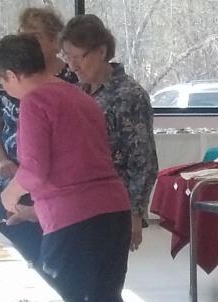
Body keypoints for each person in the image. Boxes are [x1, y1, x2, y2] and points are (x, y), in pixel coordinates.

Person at [0, 34, 131, 302]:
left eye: (2, 82)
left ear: (13, 75)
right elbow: (81, 166)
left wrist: (10, 195)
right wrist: (34, 211)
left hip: (75, 225)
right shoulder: (77, 94)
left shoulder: (35, 102)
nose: (3, 90)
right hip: (113, 212)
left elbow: (35, 171)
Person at [0, 6, 76, 269]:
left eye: (34, 37)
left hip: (54, 188)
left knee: (51, 265)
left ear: (55, 41)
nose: (26, 43)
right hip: (12, 182)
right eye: (22, 35)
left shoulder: (71, 81)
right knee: (11, 259)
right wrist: (1, 161)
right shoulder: (6, 80)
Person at [60, 15, 158, 252]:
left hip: (112, 206)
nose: (72, 66)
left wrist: (135, 213)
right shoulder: (76, 91)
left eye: (78, 57)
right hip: (76, 204)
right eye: (67, 57)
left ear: (101, 52)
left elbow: (143, 161)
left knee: (102, 271)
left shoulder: (128, 95)